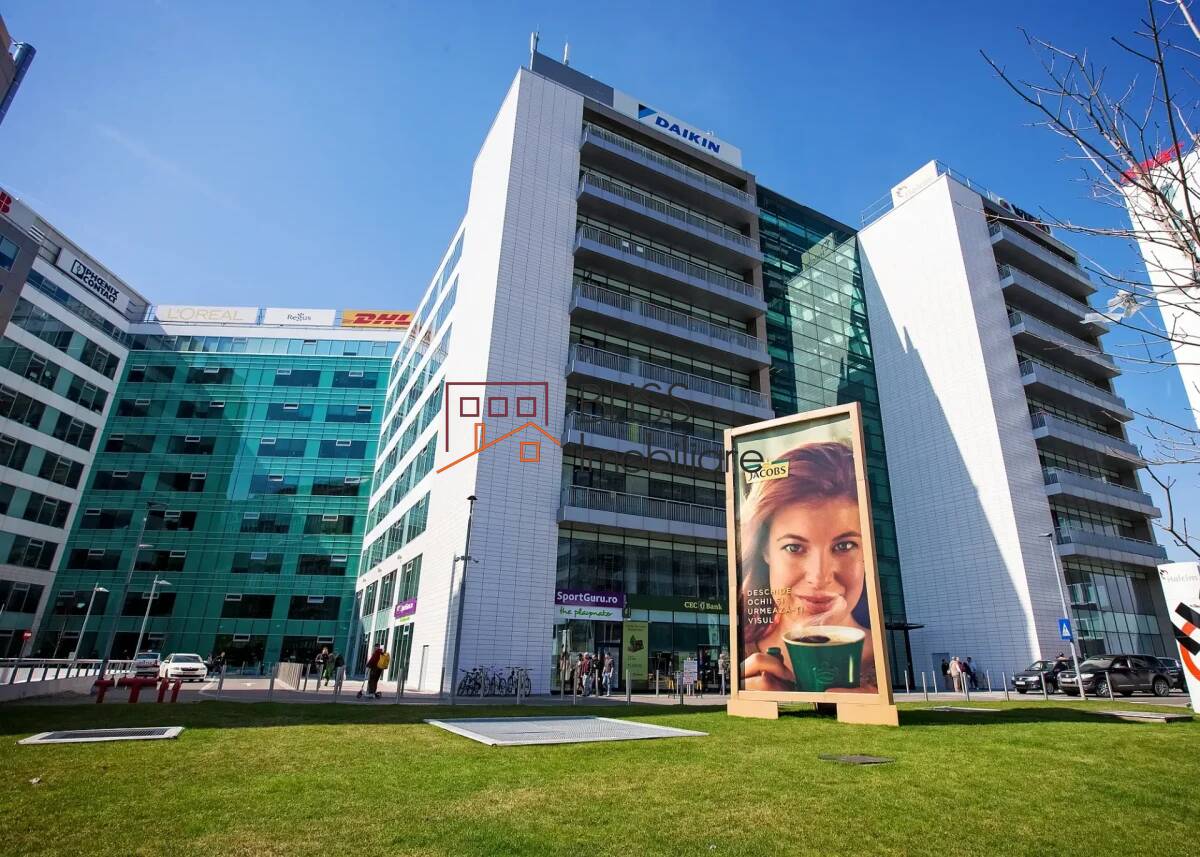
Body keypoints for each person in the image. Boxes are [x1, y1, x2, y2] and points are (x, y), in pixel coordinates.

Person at [737, 442, 876, 694]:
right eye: (794, 547)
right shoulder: (740, 656)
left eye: (844, 546)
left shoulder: (886, 660)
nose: (819, 577)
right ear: (764, 550)